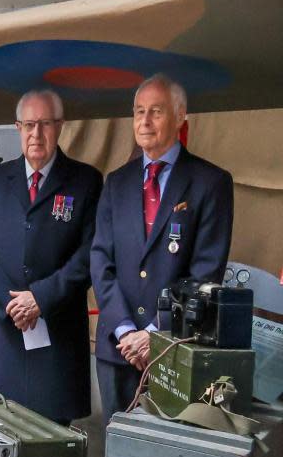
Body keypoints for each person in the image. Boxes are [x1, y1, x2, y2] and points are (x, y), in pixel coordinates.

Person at [91, 74, 234, 423]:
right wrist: (126, 329)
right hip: (118, 348)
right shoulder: (117, 182)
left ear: (181, 116)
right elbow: (100, 260)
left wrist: (155, 335)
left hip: (173, 352)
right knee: (118, 455)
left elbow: (206, 273)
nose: (145, 121)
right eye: (139, 112)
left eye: (156, 111)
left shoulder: (209, 182)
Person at [0, 89, 101, 424]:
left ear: (60, 126)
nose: (36, 134)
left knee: (51, 442)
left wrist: (40, 297)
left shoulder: (85, 181)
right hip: (6, 334)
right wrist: (9, 302)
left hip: (57, 334)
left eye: (44, 124)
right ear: (17, 127)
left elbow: (90, 254)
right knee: (0, 435)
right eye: (28, 125)